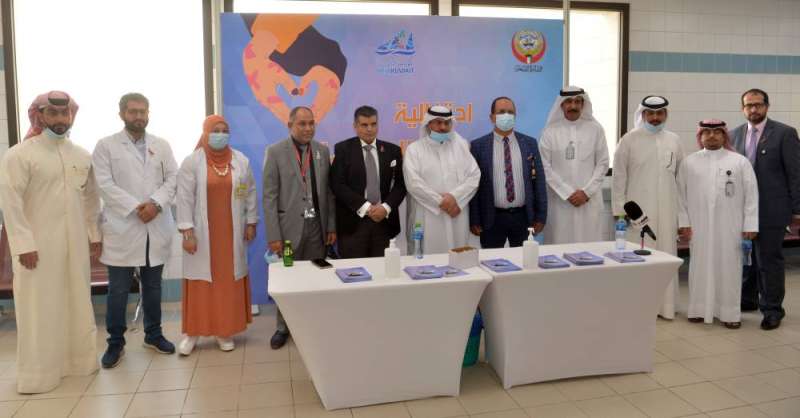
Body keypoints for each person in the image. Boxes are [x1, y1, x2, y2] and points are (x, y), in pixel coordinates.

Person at [0, 91, 101, 393]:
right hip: (37, 248)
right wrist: (23, 245)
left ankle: (79, 364)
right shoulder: (20, 155)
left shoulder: (81, 155)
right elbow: (11, 203)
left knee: (77, 301)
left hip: (76, 246)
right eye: (53, 113)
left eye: (65, 113)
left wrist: (94, 236)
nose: (60, 119)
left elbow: (91, 199)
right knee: (39, 307)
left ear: (71, 115)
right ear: (40, 115)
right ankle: (39, 375)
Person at [93, 93, 177, 368]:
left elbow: (173, 179)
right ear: (122, 114)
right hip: (123, 227)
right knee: (118, 290)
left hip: (155, 224)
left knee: (153, 286)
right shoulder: (105, 146)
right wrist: (136, 207)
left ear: (148, 113)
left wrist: (156, 204)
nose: (138, 116)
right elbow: (104, 184)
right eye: (133, 111)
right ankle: (115, 343)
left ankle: (153, 334)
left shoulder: (161, 145)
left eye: (143, 111)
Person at [176, 115, 258, 354]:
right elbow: (184, 198)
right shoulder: (192, 162)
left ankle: (224, 331)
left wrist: (251, 222)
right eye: (215, 130)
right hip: (201, 235)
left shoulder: (240, 160)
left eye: (224, 130)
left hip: (231, 234)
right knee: (200, 283)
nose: (220, 134)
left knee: (226, 284)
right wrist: (187, 232)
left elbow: (249, 192)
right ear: (205, 132)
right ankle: (192, 333)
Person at [263, 106, 336, 349]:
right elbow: (269, 197)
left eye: (311, 123)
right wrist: (273, 235)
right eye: (302, 124)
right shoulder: (275, 152)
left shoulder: (322, 151)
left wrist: (331, 226)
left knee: (315, 276)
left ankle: (312, 324)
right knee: (288, 278)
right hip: (287, 230)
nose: (308, 128)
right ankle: (282, 328)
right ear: (290, 125)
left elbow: (329, 193)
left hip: (316, 226)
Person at [730, 88, 800, 330]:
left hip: (772, 208)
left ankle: (772, 309)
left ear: (767, 106)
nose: (753, 109)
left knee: (768, 259)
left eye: (758, 104)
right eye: (748, 105)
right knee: (746, 258)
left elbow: (795, 174)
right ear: (743, 109)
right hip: (741, 209)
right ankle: (748, 299)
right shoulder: (734, 135)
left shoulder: (785, 133)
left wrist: (797, 210)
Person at [678, 120, 758, 328]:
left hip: (731, 226)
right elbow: (680, 196)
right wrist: (683, 222)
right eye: (707, 132)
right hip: (699, 225)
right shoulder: (689, 162)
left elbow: (751, 195)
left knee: (730, 268)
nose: (712, 136)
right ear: (700, 136)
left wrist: (750, 225)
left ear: (724, 136)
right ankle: (698, 309)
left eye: (716, 132)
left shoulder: (740, 162)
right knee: (699, 266)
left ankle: (729, 313)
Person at [612, 95, 684, 319]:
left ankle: (665, 307)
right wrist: (619, 211)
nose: (655, 118)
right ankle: (637, 308)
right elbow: (619, 178)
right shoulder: (629, 140)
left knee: (665, 257)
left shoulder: (674, 140)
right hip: (637, 213)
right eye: (650, 113)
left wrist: (681, 216)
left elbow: (680, 178)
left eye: (659, 113)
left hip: (667, 211)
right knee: (639, 258)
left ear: (665, 115)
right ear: (642, 114)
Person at [469, 96, 547, 247]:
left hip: (523, 217)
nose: (506, 115)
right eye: (501, 112)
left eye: (510, 112)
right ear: (492, 117)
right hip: (491, 218)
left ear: (515, 116)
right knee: (492, 260)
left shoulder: (530, 143)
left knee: (523, 260)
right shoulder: (478, 146)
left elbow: (539, 182)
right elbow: (474, 187)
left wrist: (541, 216)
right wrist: (474, 219)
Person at [403, 105, 481, 254]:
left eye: (447, 123)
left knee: (457, 257)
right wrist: (441, 202)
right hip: (428, 213)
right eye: (438, 122)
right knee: (428, 257)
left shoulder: (461, 147)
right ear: (429, 123)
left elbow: (474, 176)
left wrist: (454, 197)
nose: (443, 127)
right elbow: (413, 184)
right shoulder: (414, 149)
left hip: (456, 212)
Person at [330, 106, 406, 258]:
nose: (369, 129)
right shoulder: (343, 149)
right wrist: (366, 208)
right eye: (364, 125)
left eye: (373, 124)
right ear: (355, 126)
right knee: (354, 270)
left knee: (382, 270)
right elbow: (337, 185)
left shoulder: (392, 150)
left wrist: (385, 207)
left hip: (383, 223)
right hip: (353, 224)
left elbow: (400, 185)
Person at [538, 86, 609, 244]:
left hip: (589, 202)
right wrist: (567, 193)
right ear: (562, 105)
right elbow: (544, 167)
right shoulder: (550, 132)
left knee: (590, 248)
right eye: (569, 102)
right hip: (560, 203)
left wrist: (586, 192)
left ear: (583, 104)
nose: (573, 106)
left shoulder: (596, 130)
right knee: (559, 247)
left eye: (577, 102)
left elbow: (603, 163)